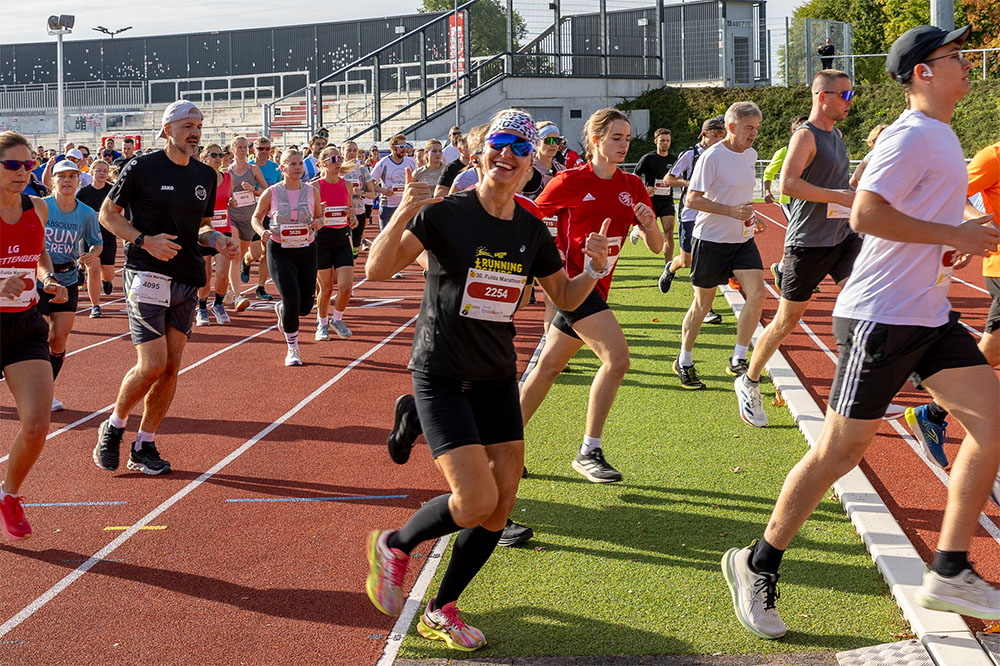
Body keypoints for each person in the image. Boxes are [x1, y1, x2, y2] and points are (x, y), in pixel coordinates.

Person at [722, 25, 1000, 641]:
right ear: (923, 72)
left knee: (992, 421)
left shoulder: (942, 133)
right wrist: (955, 235)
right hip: (880, 316)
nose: (965, 63)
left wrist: (952, 242)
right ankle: (758, 561)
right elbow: (866, 213)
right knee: (840, 452)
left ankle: (950, 568)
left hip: (926, 313)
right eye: (955, 56)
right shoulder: (911, 134)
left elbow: (916, 213)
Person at [364, 108, 610, 651]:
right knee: (475, 501)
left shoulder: (529, 228)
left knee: (501, 504)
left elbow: (564, 298)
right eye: (499, 143)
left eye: (520, 148)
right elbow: (377, 270)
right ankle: (396, 544)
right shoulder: (446, 214)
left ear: (531, 165)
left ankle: (442, 607)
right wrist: (402, 211)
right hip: (441, 373)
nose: (508, 154)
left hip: (496, 376)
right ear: (479, 156)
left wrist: (592, 269)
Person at [93, 100, 240, 476]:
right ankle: (114, 426)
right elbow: (107, 215)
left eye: (199, 126)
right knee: (152, 364)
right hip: (146, 274)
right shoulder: (142, 167)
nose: (195, 133)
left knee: (172, 368)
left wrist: (217, 239)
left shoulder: (206, 174)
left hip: (187, 277)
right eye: (188, 126)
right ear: (166, 130)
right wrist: (145, 241)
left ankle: (144, 444)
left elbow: (201, 228)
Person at [520, 108, 663, 483]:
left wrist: (649, 225)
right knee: (617, 359)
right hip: (572, 287)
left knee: (547, 369)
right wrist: (540, 267)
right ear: (595, 140)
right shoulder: (569, 181)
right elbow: (529, 221)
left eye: (627, 138)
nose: (623, 144)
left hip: (597, 287)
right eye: (616, 137)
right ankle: (589, 451)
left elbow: (657, 247)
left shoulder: (632, 185)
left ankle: (500, 446)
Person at [734, 71, 859, 427]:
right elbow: (788, 184)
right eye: (844, 95)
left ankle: (859, 380)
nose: (850, 101)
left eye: (851, 94)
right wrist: (839, 197)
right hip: (808, 244)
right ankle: (749, 380)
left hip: (842, 237)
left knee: (865, 300)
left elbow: (839, 185)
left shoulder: (836, 135)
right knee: (787, 321)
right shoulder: (806, 136)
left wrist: (856, 193)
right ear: (822, 97)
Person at [905, 136, 1000, 476]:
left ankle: (933, 413)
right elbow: (954, 194)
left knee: (991, 353)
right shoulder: (993, 156)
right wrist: (982, 224)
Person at [0, 131, 70, 540]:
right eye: (13, 165)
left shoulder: (38, 207)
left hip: (24, 323)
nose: (23, 172)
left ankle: (8, 495)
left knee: (37, 424)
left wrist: (47, 277)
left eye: (28, 165)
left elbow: (37, 250)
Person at [675, 103, 766, 390]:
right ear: (731, 127)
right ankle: (684, 360)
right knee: (702, 305)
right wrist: (731, 211)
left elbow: (741, 196)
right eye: (748, 128)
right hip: (711, 240)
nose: (754, 134)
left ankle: (739, 357)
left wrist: (753, 216)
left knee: (758, 294)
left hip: (742, 239)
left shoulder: (751, 155)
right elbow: (692, 200)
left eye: (756, 128)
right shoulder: (712, 157)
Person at [39, 160, 103, 411]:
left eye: (72, 176)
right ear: (53, 180)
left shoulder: (86, 213)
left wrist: (91, 254)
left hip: (68, 279)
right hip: (39, 279)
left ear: (78, 181)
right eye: (62, 176)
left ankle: (46, 390)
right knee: (38, 337)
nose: (67, 181)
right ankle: (36, 392)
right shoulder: (41, 207)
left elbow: (96, 242)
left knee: (58, 340)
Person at [250, 149, 324, 366]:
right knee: (291, 299)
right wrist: (261, 231)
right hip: (280, 250)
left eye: (300, 163)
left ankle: (283, 310)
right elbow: (256, 217)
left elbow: (319, 216)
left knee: (305, 307)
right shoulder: (272, 192)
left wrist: (319, 222)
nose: (298, 167)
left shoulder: (312, 191)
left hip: (306, 249)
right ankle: (293, 348)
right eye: (292, 164)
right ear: (282, 168)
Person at [661, 116, 727, 327]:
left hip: (711, 214)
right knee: (687, 261)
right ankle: (671, 267)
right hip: (690, 213)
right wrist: (688, 183)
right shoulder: (691, 154)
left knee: (705, 260)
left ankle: (706, 307)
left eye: (722, 135)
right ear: (704, 134)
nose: (719, 139)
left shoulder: (724, 154)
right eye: (715, 135)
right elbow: (668, 178)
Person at [312, 145, 357, 341]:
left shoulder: (347, 185)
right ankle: (322, 323)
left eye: (339, 158)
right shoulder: (315, 187)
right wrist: (318, 213)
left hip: (342, 238)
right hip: (322, 240)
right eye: (333, 159)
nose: (338, 162)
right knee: (326, 288)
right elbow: (309, 217)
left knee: (346, 287)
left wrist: (352, 216)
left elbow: (350, 210)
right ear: (322, 163)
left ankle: (337, 319)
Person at [762, 115, 810, 288]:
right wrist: (767, 191)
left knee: (807, 237)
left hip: (808, 200)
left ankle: (786, 269)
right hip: (789, 201)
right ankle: (789, 271)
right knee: (799, 235)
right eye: (800, 128)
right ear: (793, 131)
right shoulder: (783, 152)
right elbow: (769, 173)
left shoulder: (813, 151)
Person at [194, 144, 236, 326]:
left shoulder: (227, 177)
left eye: (221, 154)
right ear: (204, 158)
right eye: (214, 155)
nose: (218, 158)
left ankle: (218, 304)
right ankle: (202, 307)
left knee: (223, 274)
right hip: (204, 232)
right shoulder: (197, 178)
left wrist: (232, 201)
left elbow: (229, 197)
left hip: (224, 230)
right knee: (205, 276)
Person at [633, 128, 678, 291]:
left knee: (669, 231)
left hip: (666, 201)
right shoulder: (648, 158)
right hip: (650, 201)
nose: (665, 143)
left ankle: (668, 267)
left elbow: (680, 176)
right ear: (656, 141)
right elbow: (635, 176)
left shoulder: (674, 159)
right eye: (662, 140)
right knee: (651, 231)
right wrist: (645, 188)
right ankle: (637, 231)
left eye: (667, 140)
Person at [227, 136, 267, 309]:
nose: (243, 150)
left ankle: (229, 288)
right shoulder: (227, 172)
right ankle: (238, 297)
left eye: (245, 147)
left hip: (249, 218)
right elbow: (222, 194)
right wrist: (229, 200)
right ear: (232, 150)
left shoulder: (253, 169)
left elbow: (266, 191)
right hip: (233, 217)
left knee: (242, 255)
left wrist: (254, 189)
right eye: (240, 147)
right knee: (235, 256)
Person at [78, 160, 116, 317]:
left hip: (107, 236)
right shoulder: (83, 193)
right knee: (93, 270)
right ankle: (95, 306)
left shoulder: (112, 191)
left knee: (107, 273)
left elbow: (120, 212)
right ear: (92, 172)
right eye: (98, 170)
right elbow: (76, 212)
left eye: (105, 171)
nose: (102, 173)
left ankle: (106, 281)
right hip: (88, 237)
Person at [244, 137, 280, 301]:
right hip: (252, 214)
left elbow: (278, 189)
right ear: (253, 150)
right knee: (256, 253)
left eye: (267, 149)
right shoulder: (248, 167)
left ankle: (261, 287)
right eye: (260, 149)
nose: (264, 152)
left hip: (269, 214)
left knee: (266, 252)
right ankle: (246, 262)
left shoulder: (275, 168)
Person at [371, 134, 417, 232]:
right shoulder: (383, 163)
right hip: (388, 207)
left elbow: (417, 180)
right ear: (392, 147)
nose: (404, 149)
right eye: (401, 146)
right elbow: (370, 183)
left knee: (405, 237)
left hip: (405, 205)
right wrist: (383, 190)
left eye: (406, 146)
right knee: (387, 237)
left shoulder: (411, 162)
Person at [342, 140, 376, 257]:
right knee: (344, 246)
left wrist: (361, 193)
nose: (352, 153)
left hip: (359, 211)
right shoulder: (338, 170)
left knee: (355, 248)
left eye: (354, 150)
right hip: (342, 213)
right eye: (349, 150)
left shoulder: (363, 170)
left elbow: (372, 194)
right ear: (342, 152)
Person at [848, 123, 888, 189]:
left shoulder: (876, 153)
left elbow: (853, 180)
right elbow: (857, 174)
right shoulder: (875, 153)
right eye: (876, 140)